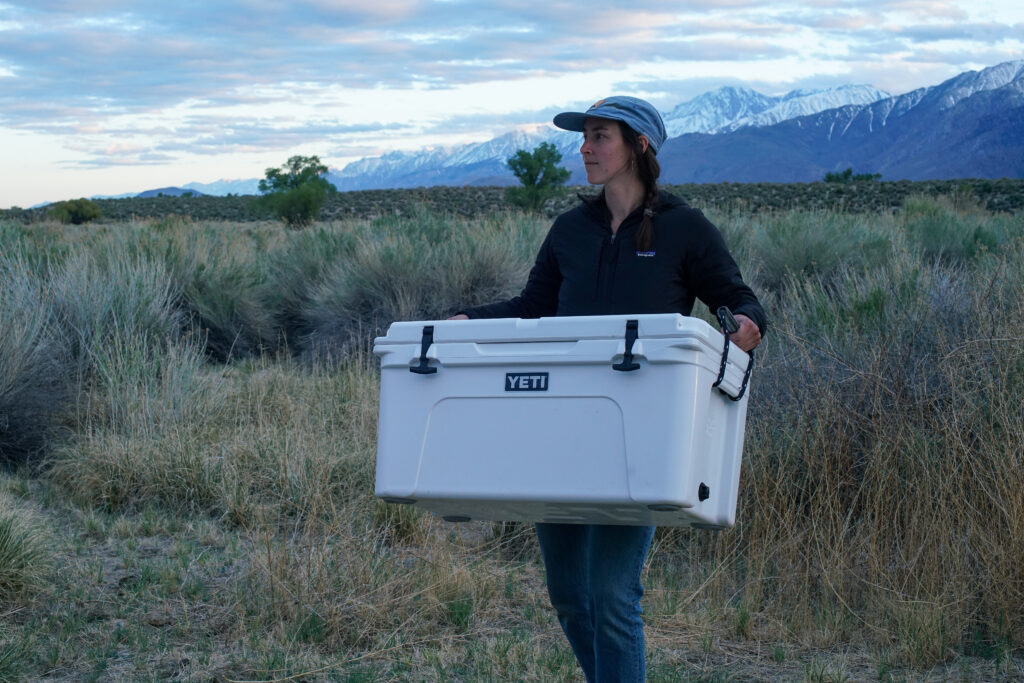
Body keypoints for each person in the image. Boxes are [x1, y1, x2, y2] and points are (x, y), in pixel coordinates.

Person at [450, 95, 766, 682]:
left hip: (638, 435)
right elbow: (534, 306)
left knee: (612, 596)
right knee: (570, 596)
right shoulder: (571, 229)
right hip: (559, 431)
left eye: (600, 136)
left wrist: (746, 323)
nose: (585, 149)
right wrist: (468, 320)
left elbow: (736, 298)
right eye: (585, 137)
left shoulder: (685, 228)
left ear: (639, 146)